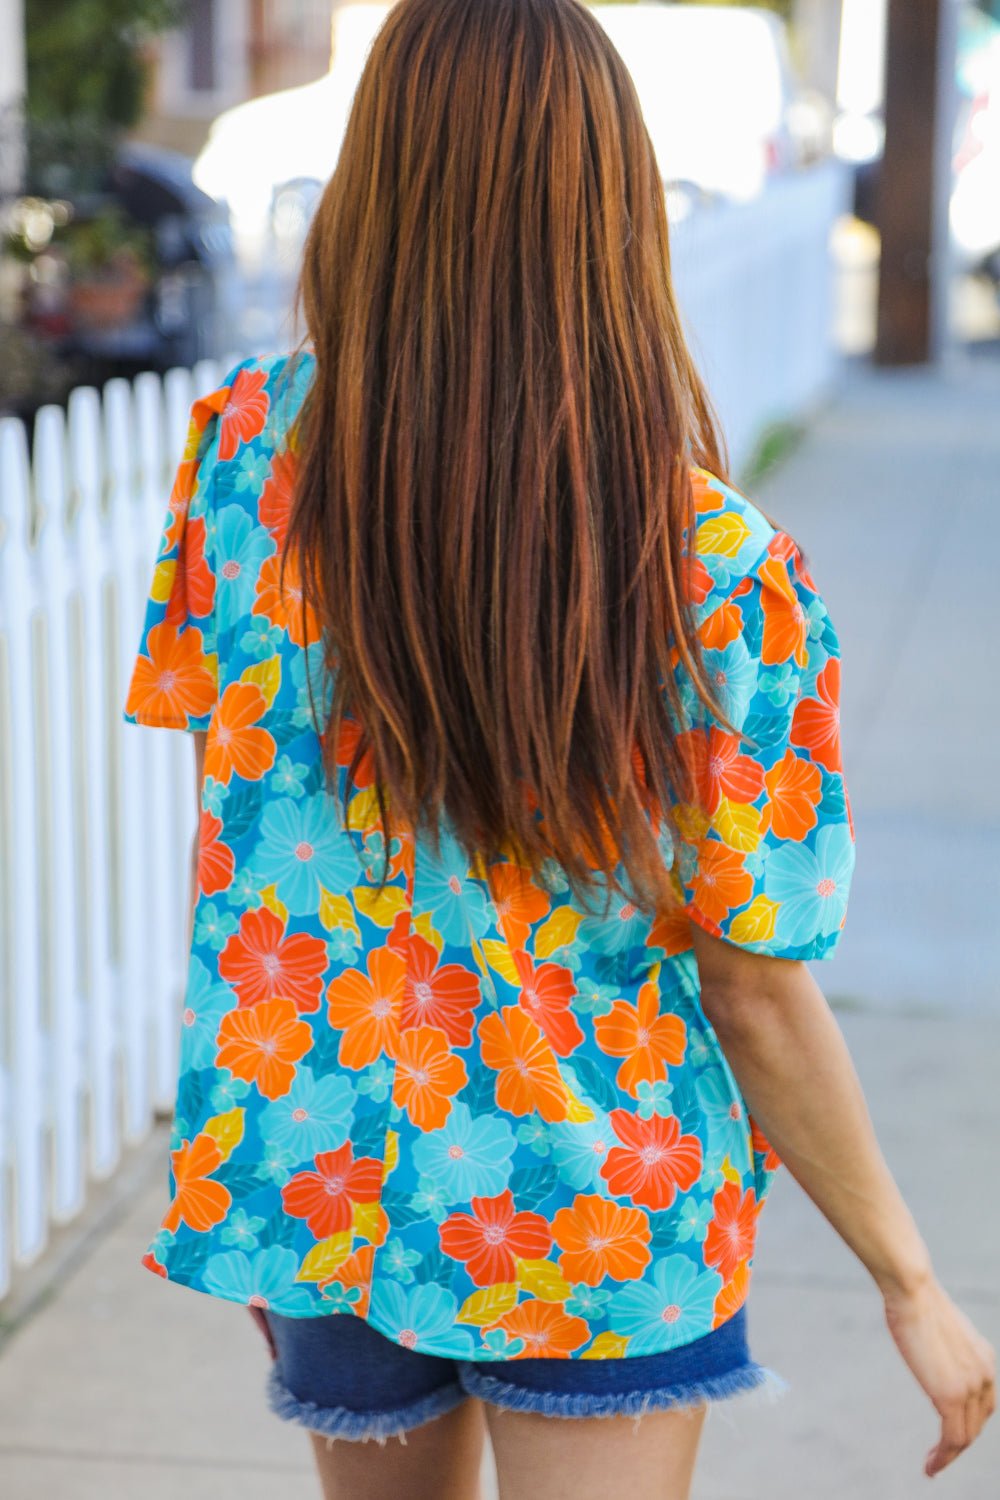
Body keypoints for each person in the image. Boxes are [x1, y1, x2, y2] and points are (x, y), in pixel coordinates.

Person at [121, 2, 995, 1497]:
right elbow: (753, 980)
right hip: (593, 1200)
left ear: (375, 181)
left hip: (333, 1167)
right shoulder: (714, 567)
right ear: (611, 212)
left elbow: (246, 822)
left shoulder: (242, 462)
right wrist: (910, 1280)